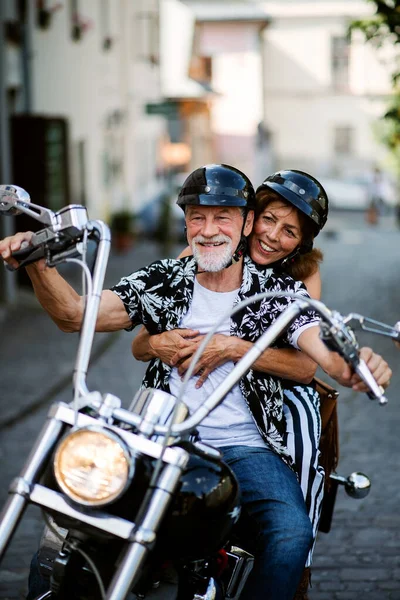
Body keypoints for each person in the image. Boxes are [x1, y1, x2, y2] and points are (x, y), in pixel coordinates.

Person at [0, 164, 391, 600]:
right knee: (69, 529)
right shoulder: (164, 279)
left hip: (246, 446)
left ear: (244, 222)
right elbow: (76, 314)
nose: (208, 230)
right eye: (197, 217)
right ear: (185, 223)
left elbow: (319, 348)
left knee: (291, 533)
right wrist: (36, 264)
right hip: (163, 437)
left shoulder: (278, 291)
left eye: (223, 217)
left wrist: (357, 364)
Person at [131, 169, 328, 591]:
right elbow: (140, 342)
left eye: (290, 231)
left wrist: (234, 347)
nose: (273, 236)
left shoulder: (299, 277)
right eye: (269, 220)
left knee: (305, 435)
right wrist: (160, 343)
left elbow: (307, 362)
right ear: (251, 217)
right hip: (185, 412)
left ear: (303, 242)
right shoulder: (200, 253)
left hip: (279, 386)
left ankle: (299, 562)